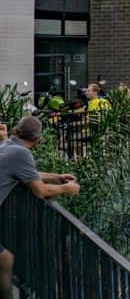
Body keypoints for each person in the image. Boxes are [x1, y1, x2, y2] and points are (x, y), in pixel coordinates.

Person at [0, 117, 79, 299]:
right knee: (5, 260)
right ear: (37, 140)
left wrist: (55, 177)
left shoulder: (6, 146)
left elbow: (27, 173)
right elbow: (40, 191)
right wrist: (66, 188)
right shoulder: (21, 153)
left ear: (16, 131)